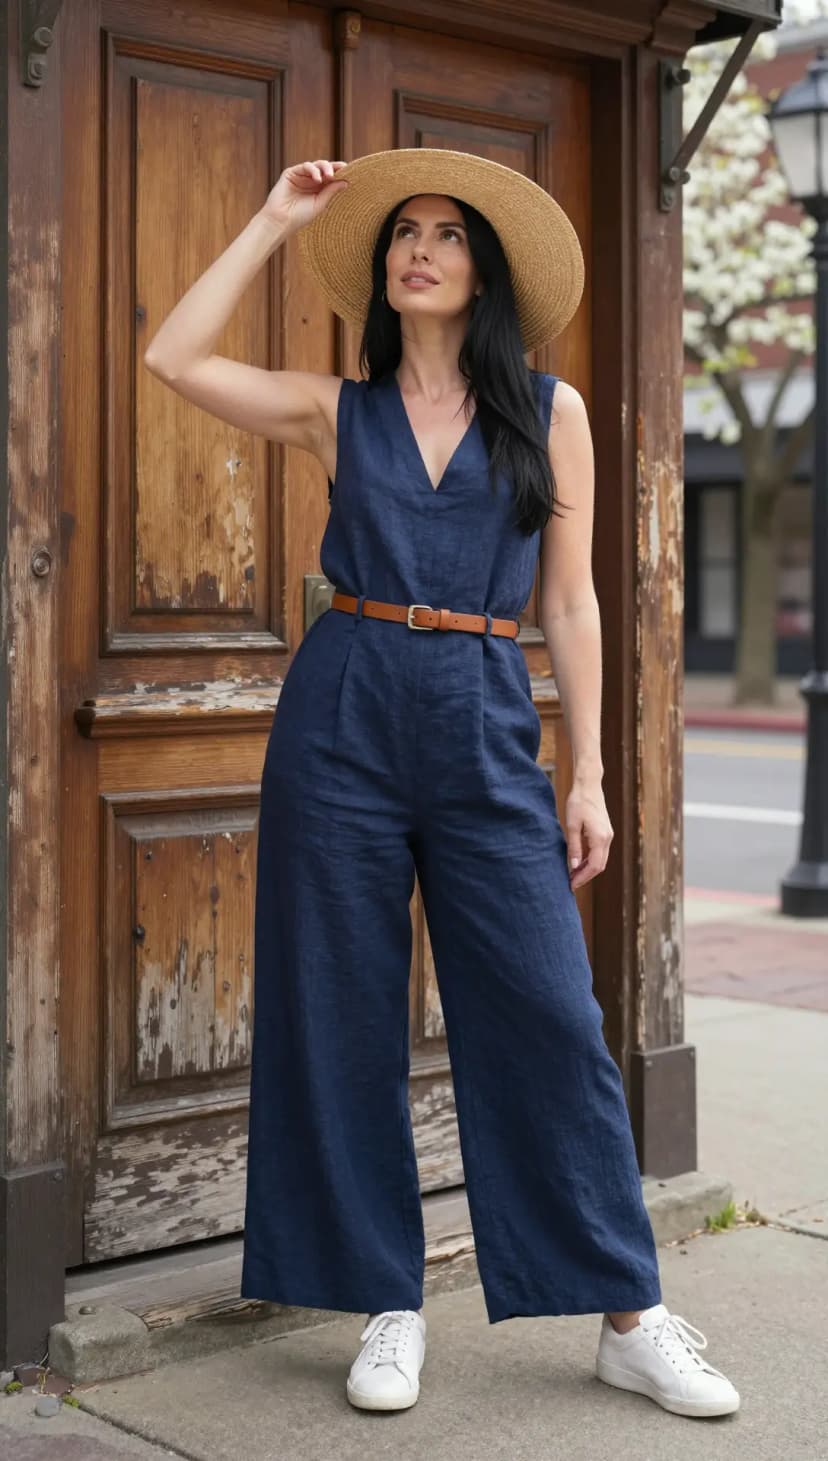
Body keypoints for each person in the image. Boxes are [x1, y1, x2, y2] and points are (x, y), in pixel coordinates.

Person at [143, 148, 740, 1422]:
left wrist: (587, 770)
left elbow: (572, 602)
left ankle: (626, 1312)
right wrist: (267, 219)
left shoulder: (548, 409)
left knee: (546, 1011)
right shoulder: (335, 411)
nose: (418, 249)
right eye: (402, 233)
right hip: (343, 706)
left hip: (480, 707)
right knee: (338, 1010)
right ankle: (387, 1304)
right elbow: (174, 360)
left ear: (487, 273)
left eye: (446, 236)